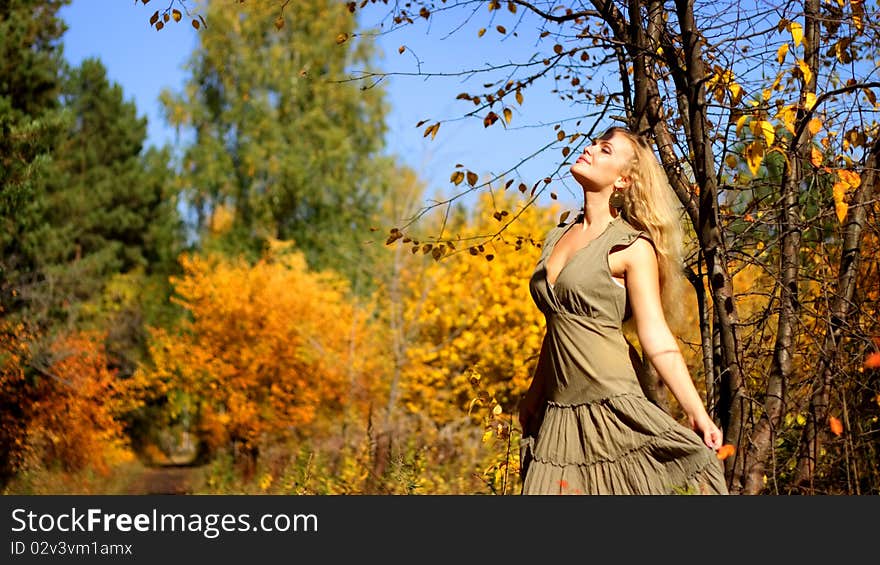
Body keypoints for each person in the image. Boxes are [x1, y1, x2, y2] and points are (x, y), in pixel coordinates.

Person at [518, 126, 729, 495]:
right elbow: (559, 328)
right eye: (593, 143)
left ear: (623, 179)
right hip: (558, 411)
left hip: (611, 404)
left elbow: (655, 335)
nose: (590, 150)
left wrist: (696, 412)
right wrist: (535, 396)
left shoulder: (631, 247)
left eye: (605, 150)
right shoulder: (556, 237)